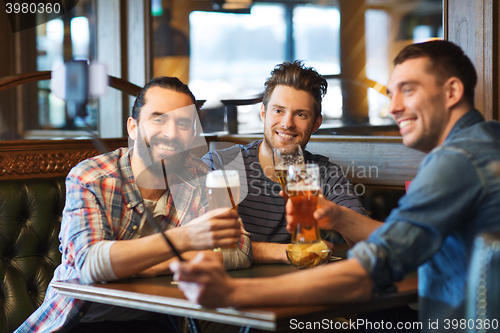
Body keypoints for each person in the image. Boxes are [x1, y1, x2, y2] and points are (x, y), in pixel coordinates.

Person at [171, 40, 500, 333]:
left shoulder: (457, 160)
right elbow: (215, 242)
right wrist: (333, 222)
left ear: (452, 92)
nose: (394, 107)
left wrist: (232, 293)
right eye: (392, 93)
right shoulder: (488, 141)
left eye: (408, 90)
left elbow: (371, 267)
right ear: (263, 113)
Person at [16, 77, 251, 333]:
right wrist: (185, 239)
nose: (171, 133)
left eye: (182, 123)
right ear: (133, 127)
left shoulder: (199, 174)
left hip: (158, 321)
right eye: (158, 119)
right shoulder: (92, 177)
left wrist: (148, 266)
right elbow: (90, 265)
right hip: (78, 321)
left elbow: (239, 249)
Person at [203, 61, 365, 263]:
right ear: (263, 113)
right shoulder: (221, 165)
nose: (288, 123)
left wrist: (338, 217)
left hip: (301, 289)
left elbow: (370, 244)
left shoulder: (325, 174)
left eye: (300, 114)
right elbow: (206, 242)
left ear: (316, 123)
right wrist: (289, 252)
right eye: (278, 110)